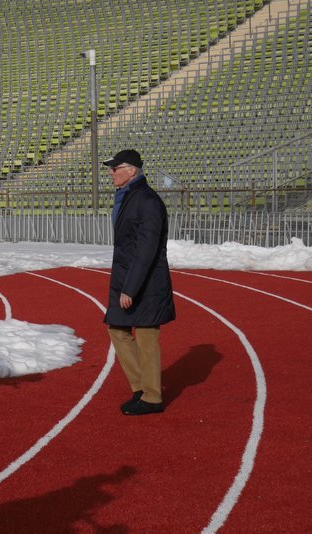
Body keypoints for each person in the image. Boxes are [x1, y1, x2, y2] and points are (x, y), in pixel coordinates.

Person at [102, 149, 176, 416]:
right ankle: (141, 387)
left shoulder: (147, 200)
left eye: (115, 168)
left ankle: (152, 397)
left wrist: (130, 288)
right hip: (127, 276)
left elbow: (146, 250)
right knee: (118, 329)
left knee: (146, 335)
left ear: (131, 170)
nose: (110, 173)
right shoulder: (128, 196)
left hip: (146, 281)